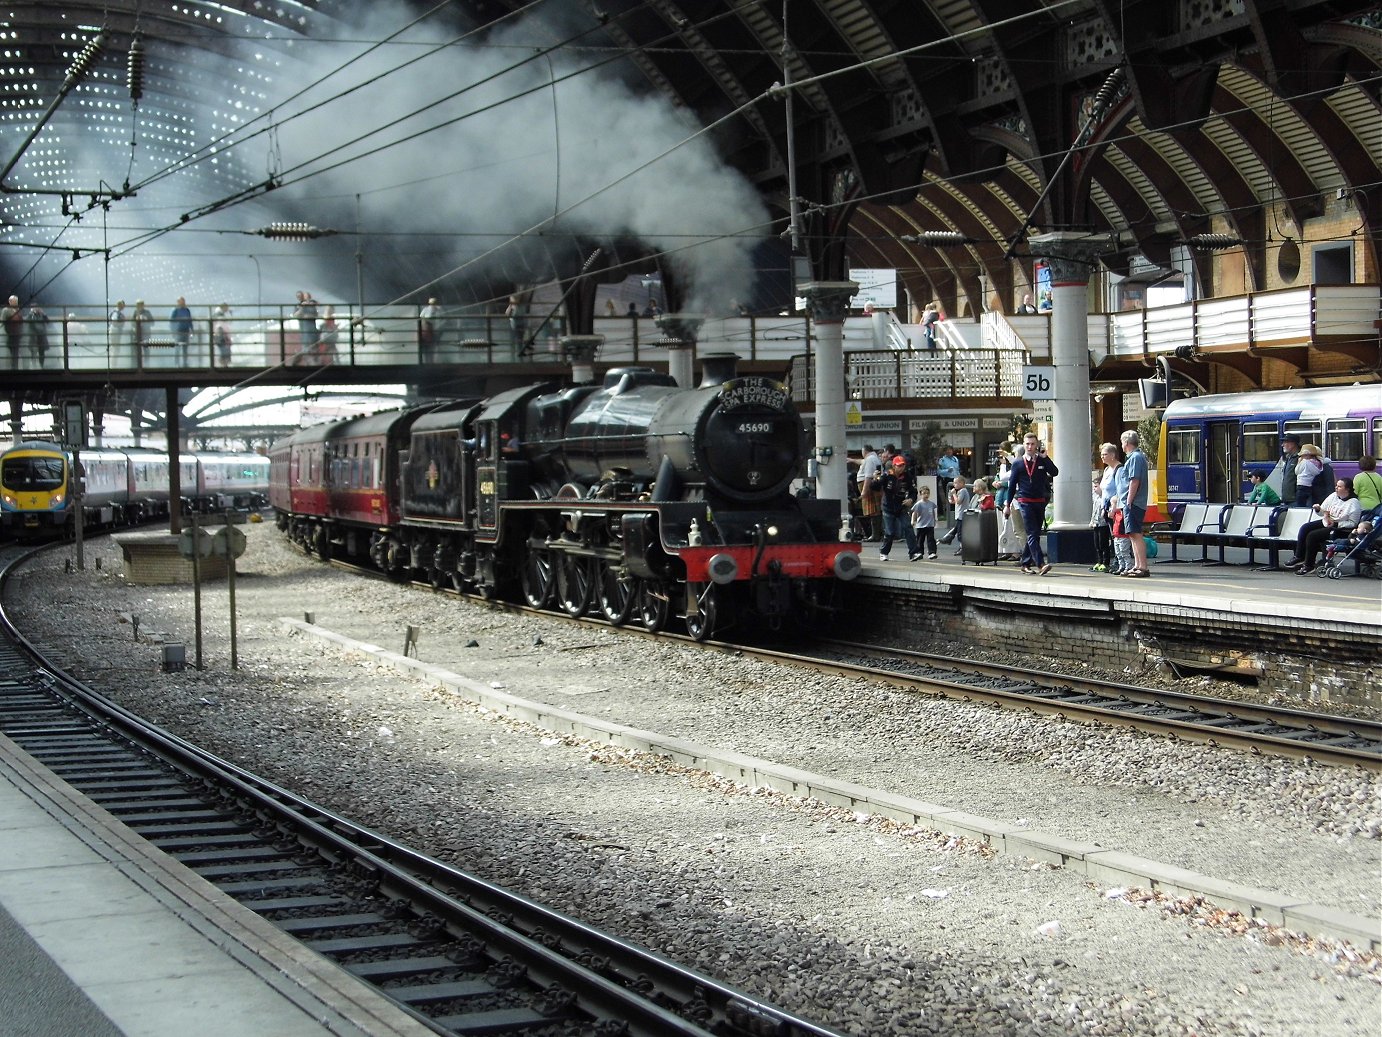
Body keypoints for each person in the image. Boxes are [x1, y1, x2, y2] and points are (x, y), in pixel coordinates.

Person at [1005, 432, 1059, 575]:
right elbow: (1011, 486)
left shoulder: (1041, 461)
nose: (1030, 446)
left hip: (1039, 501)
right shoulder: (1017, 463)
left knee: (1034, 534)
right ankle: (1040, 564)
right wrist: (1007, 505)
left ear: (1037, 445)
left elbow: (1055, 472)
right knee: (1032, 532)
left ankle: (1025, 563)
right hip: (1024, 501)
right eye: (1027, 444)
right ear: (1024, 445)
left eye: (1033, 444)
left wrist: (1045, 457)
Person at [1288, 477, 1361, 574]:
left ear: (1347, 489)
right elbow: (1323, 511)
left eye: (1339, 487)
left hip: (1340, 529)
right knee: (1305, 528)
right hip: (1327, 522)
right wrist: (1318, 509)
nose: (1336, 488)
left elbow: (1353, 523)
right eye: (1336, 486)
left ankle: (1308, 565)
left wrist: (1336, 523)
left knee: (1312, 536)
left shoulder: (1354, 503)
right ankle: (1299, 556)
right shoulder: (1333, 496)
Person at [1117, 429, 1150, 577]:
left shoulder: (1135, 457)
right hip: (1131, 503)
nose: (1122, 446)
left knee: (1136, 534)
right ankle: (1137, 565)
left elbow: (1134, 480)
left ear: (1127, 443)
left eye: (1122, 443)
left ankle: (1143, 567)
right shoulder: (1134, 457)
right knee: (1131, 534)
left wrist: (1129, 501)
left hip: (1134, 503)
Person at [874, 455, 920, 561]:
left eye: (903, 465)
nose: (901, 468)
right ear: (894, 466)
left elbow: (913, 491)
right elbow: (875, 487)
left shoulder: (907, 476)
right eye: (899, 465)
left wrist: (911, 500)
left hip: (901, 506)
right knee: (890, 532)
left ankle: (913, 552)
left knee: (908, 527)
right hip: (888, 507)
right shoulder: (887, 475)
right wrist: (875, 479)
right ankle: (884, 552)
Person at [857, 445, 883, 541]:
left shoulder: (869, 459)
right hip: (871, 486)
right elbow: (861, 462)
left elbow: (868, 476)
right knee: (874, 511)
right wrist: (851, 460)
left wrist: (864, 491)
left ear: (865, 451)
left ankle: (875, 535)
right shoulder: (873, 458)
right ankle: (876, 534)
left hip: (868, 486)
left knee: (873, 512)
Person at [939, 475, 970, 548]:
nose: (954, 484)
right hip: (959, 515)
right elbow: (953, 502)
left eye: (956, 483)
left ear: (962, 483)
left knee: (960, 533)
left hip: (962, 516)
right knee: (956, 529)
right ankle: (949, 538)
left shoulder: (963, 491)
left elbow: (958, 501)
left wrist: (954, 494)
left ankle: (963, 547)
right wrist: (950, 496)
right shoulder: (960, 491)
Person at [910, 485, 938, 559]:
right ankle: (919, 552)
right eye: (924, 493)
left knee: (931, 539)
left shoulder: (931, 504)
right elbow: (914, 513)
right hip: (921, 525)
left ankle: (932, 552)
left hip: (930, 524)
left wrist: (934, 520)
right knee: (920, 540)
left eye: (927, 493)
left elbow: (933, 512)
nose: (926, 495)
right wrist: (913, 520)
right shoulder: (919, 504)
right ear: (921, 494)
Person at [1278, 433, 1301, 506]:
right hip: (1288, 500)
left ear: (1292, 444)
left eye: (1285, 442)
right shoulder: (1289, 458)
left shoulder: (1300, 458)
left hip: (1295, 500)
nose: (1282, 445)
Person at [294, 291, 319, 355]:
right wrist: (302, 308)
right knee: (305, 346)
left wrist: (308, 316)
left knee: (313, 346)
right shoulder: (299, 306)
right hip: (304, 329)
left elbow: (316, 314)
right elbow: (295, 315)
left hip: (312, 329)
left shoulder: (312, 305)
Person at [169, 296, 193, 364]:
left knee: (185, 349)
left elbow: (190, 321)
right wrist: (173, 331)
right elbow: (171, 321)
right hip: (178, 332)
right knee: (177, 349)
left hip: (186, 331)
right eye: (181, 301)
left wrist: (191, 330)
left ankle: (185, 363)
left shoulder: (187, 310)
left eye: (183, 301)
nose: (182, 303)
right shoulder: (175, 310)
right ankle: (176, 363)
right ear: (178, 302)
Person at [25, 301, 49, 366]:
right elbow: (26, 321)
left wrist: (43, 314)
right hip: (33, 336)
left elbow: (48, 321)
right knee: (33, 351)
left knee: (41, 352)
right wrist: (31, 314)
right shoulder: (30, 315)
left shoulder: (42, 314)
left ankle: (41, 365)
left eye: (36, 308)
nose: (35, 309)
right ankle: (33, 365)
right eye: (34, 308)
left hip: (41, 336)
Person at [419, 297, 442, 362]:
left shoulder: (438, 310)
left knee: (431, 350)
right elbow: (421, 317)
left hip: (432, 332)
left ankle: (431, 362)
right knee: (429, 350)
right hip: (429, 334)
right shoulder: (427, 309)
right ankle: (429, 362)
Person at [1, 295, 22, 366]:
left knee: (15, 354)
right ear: (10, 302)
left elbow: (21, 322)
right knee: (11, 354)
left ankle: (15, 368)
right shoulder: (6, 310)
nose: (16, 303)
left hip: (17, 335)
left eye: (17, 301)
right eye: (14, 301)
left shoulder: (18, 310)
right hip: (9, 335)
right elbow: (2, 321)